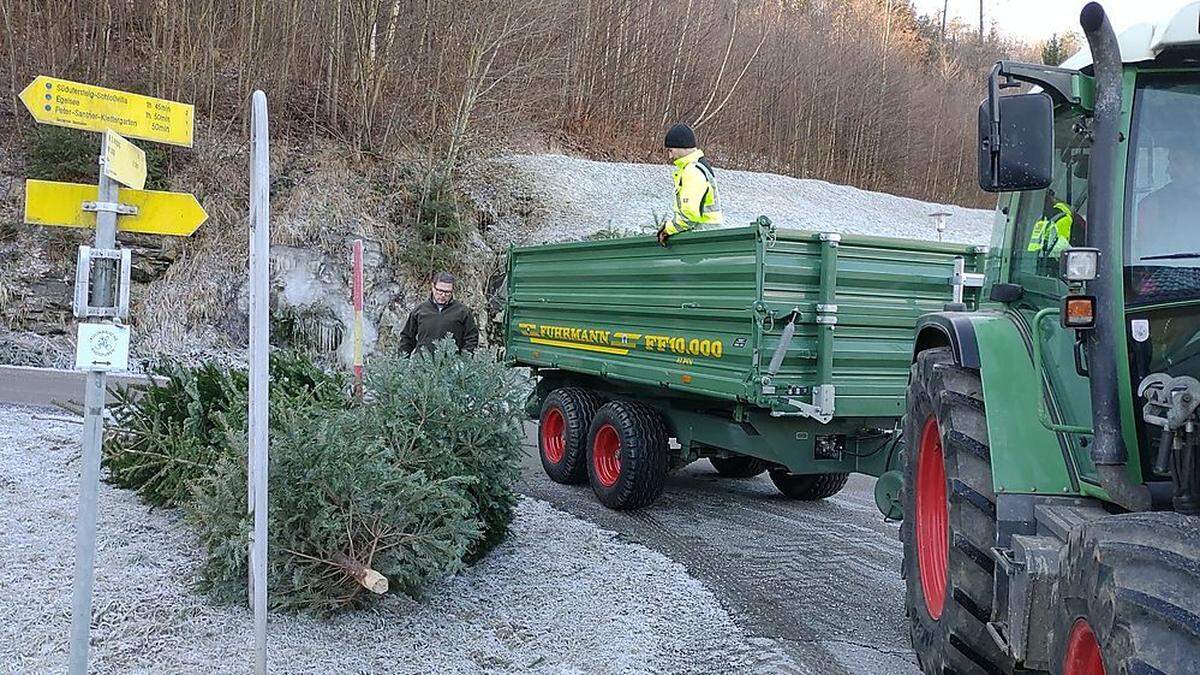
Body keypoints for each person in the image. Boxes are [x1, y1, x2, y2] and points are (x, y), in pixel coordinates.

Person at [657, 123, 723, 246]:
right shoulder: (699, 166)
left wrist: (668, 229)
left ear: (682, 146)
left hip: (701, 238)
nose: (670, 156)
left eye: (671, 150)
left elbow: (689, 215)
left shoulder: (692, 171)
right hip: (710, 236)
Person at [397, 272, 479, 355]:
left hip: (451, 364)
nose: (443, 295)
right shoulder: (420, 310)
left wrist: (464, 360)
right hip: (422, 364)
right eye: (440, 290)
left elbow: (471, 338)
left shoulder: (462, 312)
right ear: (433, 287)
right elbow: (407, 338)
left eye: (447, 292)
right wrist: (401, 362)